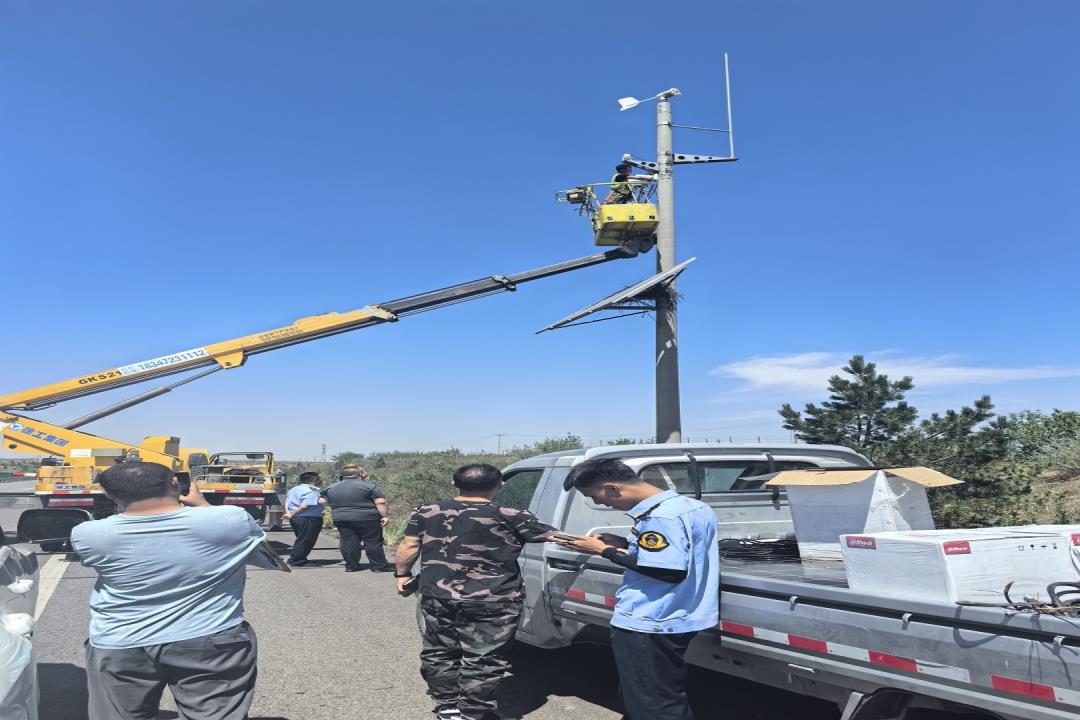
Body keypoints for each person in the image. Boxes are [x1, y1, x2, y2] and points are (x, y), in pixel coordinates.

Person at [70, 462, 265, 720]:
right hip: (210, 637)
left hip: (120, 641)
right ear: (175, 483)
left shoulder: (87, 534)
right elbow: (260, 553)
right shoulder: (231, 518)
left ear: (107, 493)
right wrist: (203, 505)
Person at [559, 458, 719, 720]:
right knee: (658, 694)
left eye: (594, 496)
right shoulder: (690, 506)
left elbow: (668, 571)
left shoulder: (659, 516)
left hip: (651, 619)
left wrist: (604, 550)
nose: (600, 504)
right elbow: (678, 552)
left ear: (612, 488)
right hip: (679, 612)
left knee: (653, 704)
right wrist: (624, 544)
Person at [395, 463, 557, 720]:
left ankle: (447, 706)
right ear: (500, 485)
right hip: (494, 599)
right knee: (484, 656)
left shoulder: (428, 511)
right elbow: (557, 537)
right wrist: (605, 547)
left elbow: (409, 545)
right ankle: (473, 712)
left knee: (439, 651)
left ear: (454, 483)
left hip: (438, 595)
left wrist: (402, 574)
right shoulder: (512, 514)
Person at [321, 465, 391, 572]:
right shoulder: (369, 486)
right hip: (367, 518)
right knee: (372, 541)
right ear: (360, 474)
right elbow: (380, 502)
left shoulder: (331, 487)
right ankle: (379, 566)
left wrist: (336, 506)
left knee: (348, 541)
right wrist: (384, 516)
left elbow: (322, 501)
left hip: (341, 517)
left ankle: (351, 566)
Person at [283, 470, 325, 566]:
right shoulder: (313, 490)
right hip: (308, 518)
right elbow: (305, 506)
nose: (322, 481)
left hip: (296, 518)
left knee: (302, 539)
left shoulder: (294, 489)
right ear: (315, 480)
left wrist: (288, 513)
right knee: (306, 540)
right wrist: (292, 514)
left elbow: (287, 502)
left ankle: (300, 558)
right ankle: (296, 560)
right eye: (320, 479)